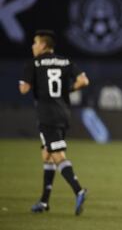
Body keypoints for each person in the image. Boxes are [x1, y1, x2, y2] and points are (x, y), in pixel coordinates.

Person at [19, 30, 89, 215]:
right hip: (63, 113)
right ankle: (44, 202)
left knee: (57, 154)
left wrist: (26, 81)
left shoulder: (34, 63)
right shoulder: (65, 62)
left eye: (35, 43)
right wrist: (68, 90)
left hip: (47, 115)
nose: (33, 46)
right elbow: (83, 81)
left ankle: (78, 189)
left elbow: (24, 89)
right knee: (47, 154)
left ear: (43, 45)